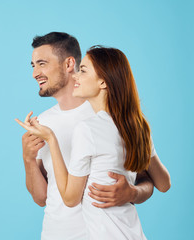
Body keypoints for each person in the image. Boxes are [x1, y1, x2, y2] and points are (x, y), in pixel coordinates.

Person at [17, 46, 171, 239]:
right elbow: (164, 183)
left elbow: (71, 198)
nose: (76, 77)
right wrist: (28, 158)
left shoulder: (90, 127)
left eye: (42, 64)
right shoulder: (134, 123)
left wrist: (132, 193)